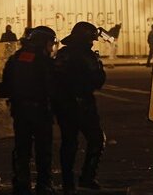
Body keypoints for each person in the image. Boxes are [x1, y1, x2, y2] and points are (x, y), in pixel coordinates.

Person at [0, 26, 57, 195]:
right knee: (43, 149)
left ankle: (21, 183)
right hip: (40, 111)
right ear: (43, 43)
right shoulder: (43, 61)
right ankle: (44, 184)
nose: (51, 48)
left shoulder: (16, 58)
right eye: (50, 44)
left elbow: (5, 84)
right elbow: (52, 86)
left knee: (22, 149)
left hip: (20, 111)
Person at [53, 22, 107, 193]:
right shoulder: (87, 56)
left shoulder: (62, 54)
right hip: (83, 104)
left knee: (69, 142)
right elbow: (98, 80)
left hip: (63, 105)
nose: (92, 43)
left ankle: (68, 181)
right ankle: (87, 177)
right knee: (96, 140)